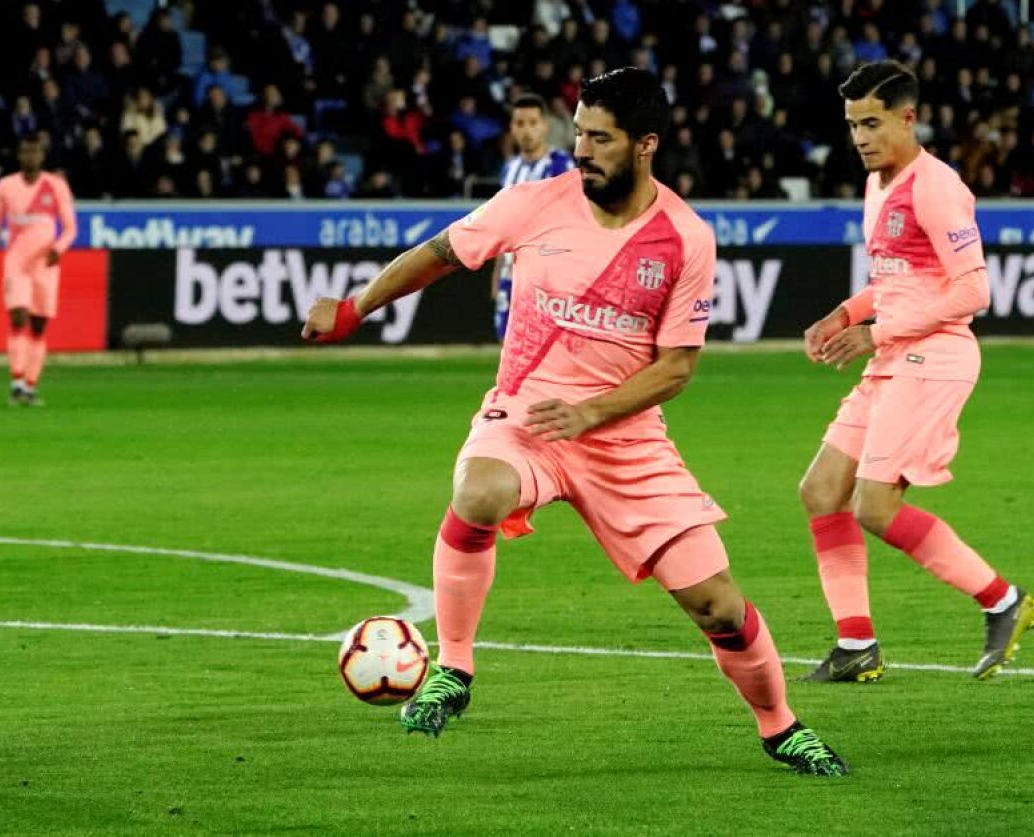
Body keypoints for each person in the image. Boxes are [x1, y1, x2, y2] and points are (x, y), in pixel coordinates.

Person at [303, 68, 847, 776]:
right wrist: (354, 308)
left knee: (718, 606)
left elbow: (677, 368)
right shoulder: (533, 203)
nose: (582, 151)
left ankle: (780, 726)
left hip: (626, 439)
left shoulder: (685, 237)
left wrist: (591, 410)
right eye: (580, 134)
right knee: (480, 491)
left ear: (646, 144)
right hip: (526, 414)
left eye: (601, 139)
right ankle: (455, 669)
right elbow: (440, 254)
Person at [797, 60, 1034, 683]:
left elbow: (973, 290)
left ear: (908, 118)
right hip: (895, 354)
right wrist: (844, 313)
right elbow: (896, 281)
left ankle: (1003, 600)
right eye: (853, 125)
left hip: (933, 358)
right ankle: (856, 644)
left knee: (874, 505)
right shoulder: (878, 183)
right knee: (822, 489)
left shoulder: (935, 187)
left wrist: (874, 332)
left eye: (872, 124)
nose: (860, 138)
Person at [0, 136, 77, 406]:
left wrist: (58, 248)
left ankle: (30, 385)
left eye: (34, 152)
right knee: (18, 318)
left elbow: (71, 228)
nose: (30, 157)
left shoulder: (56, 185)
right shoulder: (6, 186)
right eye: (25, 152)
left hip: (45, 265)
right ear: (19, 155)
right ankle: (16, 381)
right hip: (16, 262)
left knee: (38, 325)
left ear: (42, 156)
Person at [491, 94, 574, 341]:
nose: (526, 130)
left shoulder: (560, 165)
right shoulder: (509, 169)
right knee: (507, 343)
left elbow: (570, 223)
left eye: (532, 123)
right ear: (512, 128)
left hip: (546, 275)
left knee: (542, 346)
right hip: (510, 273)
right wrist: (497, 273)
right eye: (520, 123)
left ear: (544, 126)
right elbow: (503, 225)